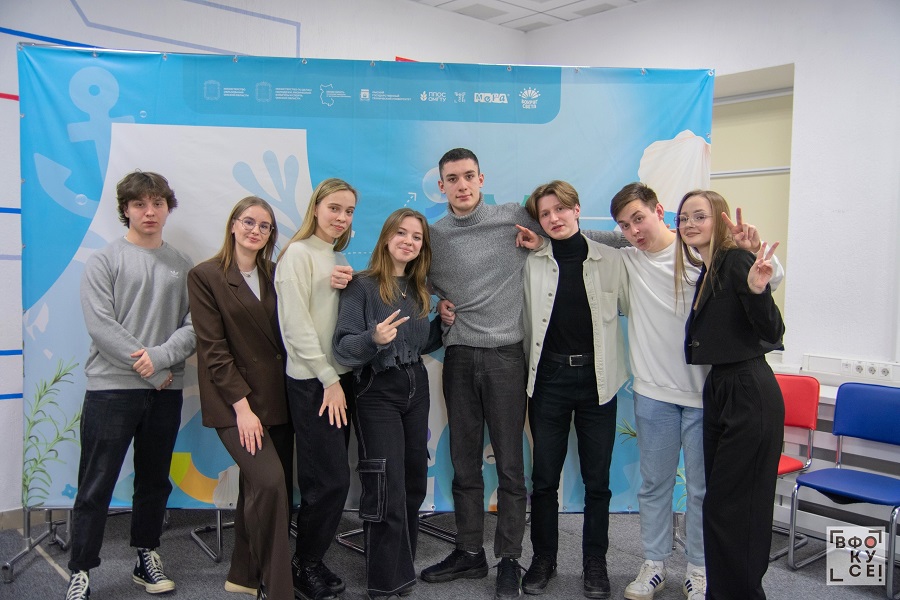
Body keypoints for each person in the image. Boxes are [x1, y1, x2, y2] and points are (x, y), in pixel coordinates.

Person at [420, 148, 626, 599]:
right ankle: (469, 552)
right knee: (464, 463)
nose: (461, 185)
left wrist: (632, 237)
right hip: (459, 357)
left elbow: (569, 235)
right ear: (441, 186)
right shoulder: (432, 236)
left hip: (507, 358)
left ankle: (510, 559)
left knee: (512, 466)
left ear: (481, 178)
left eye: (469, 176)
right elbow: (408, 276)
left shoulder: (514, 216)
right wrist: (437, 303)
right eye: (452, 179)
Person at [66, 171, 196, 600]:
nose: (149, 211)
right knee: (96, 483)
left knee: (155, 480)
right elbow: (101, 325)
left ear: (168, 208)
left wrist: (160, 360)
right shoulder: (105, 260)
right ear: (126, 209)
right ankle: (80, 570)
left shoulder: (182, 265)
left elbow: (194, 327)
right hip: (111, 389)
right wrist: (152, 369)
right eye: (140, 204)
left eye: (157, 203)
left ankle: (146, 555)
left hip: (164, 391)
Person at [519, 181, 629, 600]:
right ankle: (543, 559)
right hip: (548, 380)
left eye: (560, 209)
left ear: (577, 209)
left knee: (597, 481)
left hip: (599, 382)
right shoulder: (532, 262)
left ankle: (595, 563)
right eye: (545, 214)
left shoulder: (612, 260)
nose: (554, 218)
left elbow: (637, 304)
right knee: (544, 478)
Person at [675, 189, 784, 600]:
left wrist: (759, 290)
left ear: (719, 219)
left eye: (699, 216)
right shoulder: (709, 270)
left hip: (748, 388)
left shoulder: (737, 260)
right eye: (683, 218)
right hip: (721, 386)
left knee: (739, 510)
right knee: (721, 507)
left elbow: (772, 331)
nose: (689, 224)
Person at [332, 208, 442, 600]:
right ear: (386, 237)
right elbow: (343, 347)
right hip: (376, 390)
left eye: (416, 236)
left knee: (413, 479)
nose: (408, 241)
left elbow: (418, 342)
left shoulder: (419, 288)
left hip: (416, 385)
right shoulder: (361, 286)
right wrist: (373, 339)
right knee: (384, 484)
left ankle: (402, 567)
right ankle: (383, 581)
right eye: (401, 233)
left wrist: (442, 324)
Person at [187, 197, 292, 600]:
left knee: (256, 489)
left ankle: (244, 575)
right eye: (249, 222)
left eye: (265, 226)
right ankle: (278, 589)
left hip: (278, 397)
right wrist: (243, 408)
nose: (255, 231)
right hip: (235, 403)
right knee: (271, 484)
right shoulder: (206, 275)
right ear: (233, 224)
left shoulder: (276, 273)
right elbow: (213, 350)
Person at [274, 178, 358, 600]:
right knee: (326, 482)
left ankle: (312, 558)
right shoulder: (298, 254)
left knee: (331, 480)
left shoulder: (333, 255)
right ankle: (303, 565)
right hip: (314, 383)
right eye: (334, 208)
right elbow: (296, 327)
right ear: (316, 208)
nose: (341, 218)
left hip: (336, 380)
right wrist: (328, 379)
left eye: (349, 211)